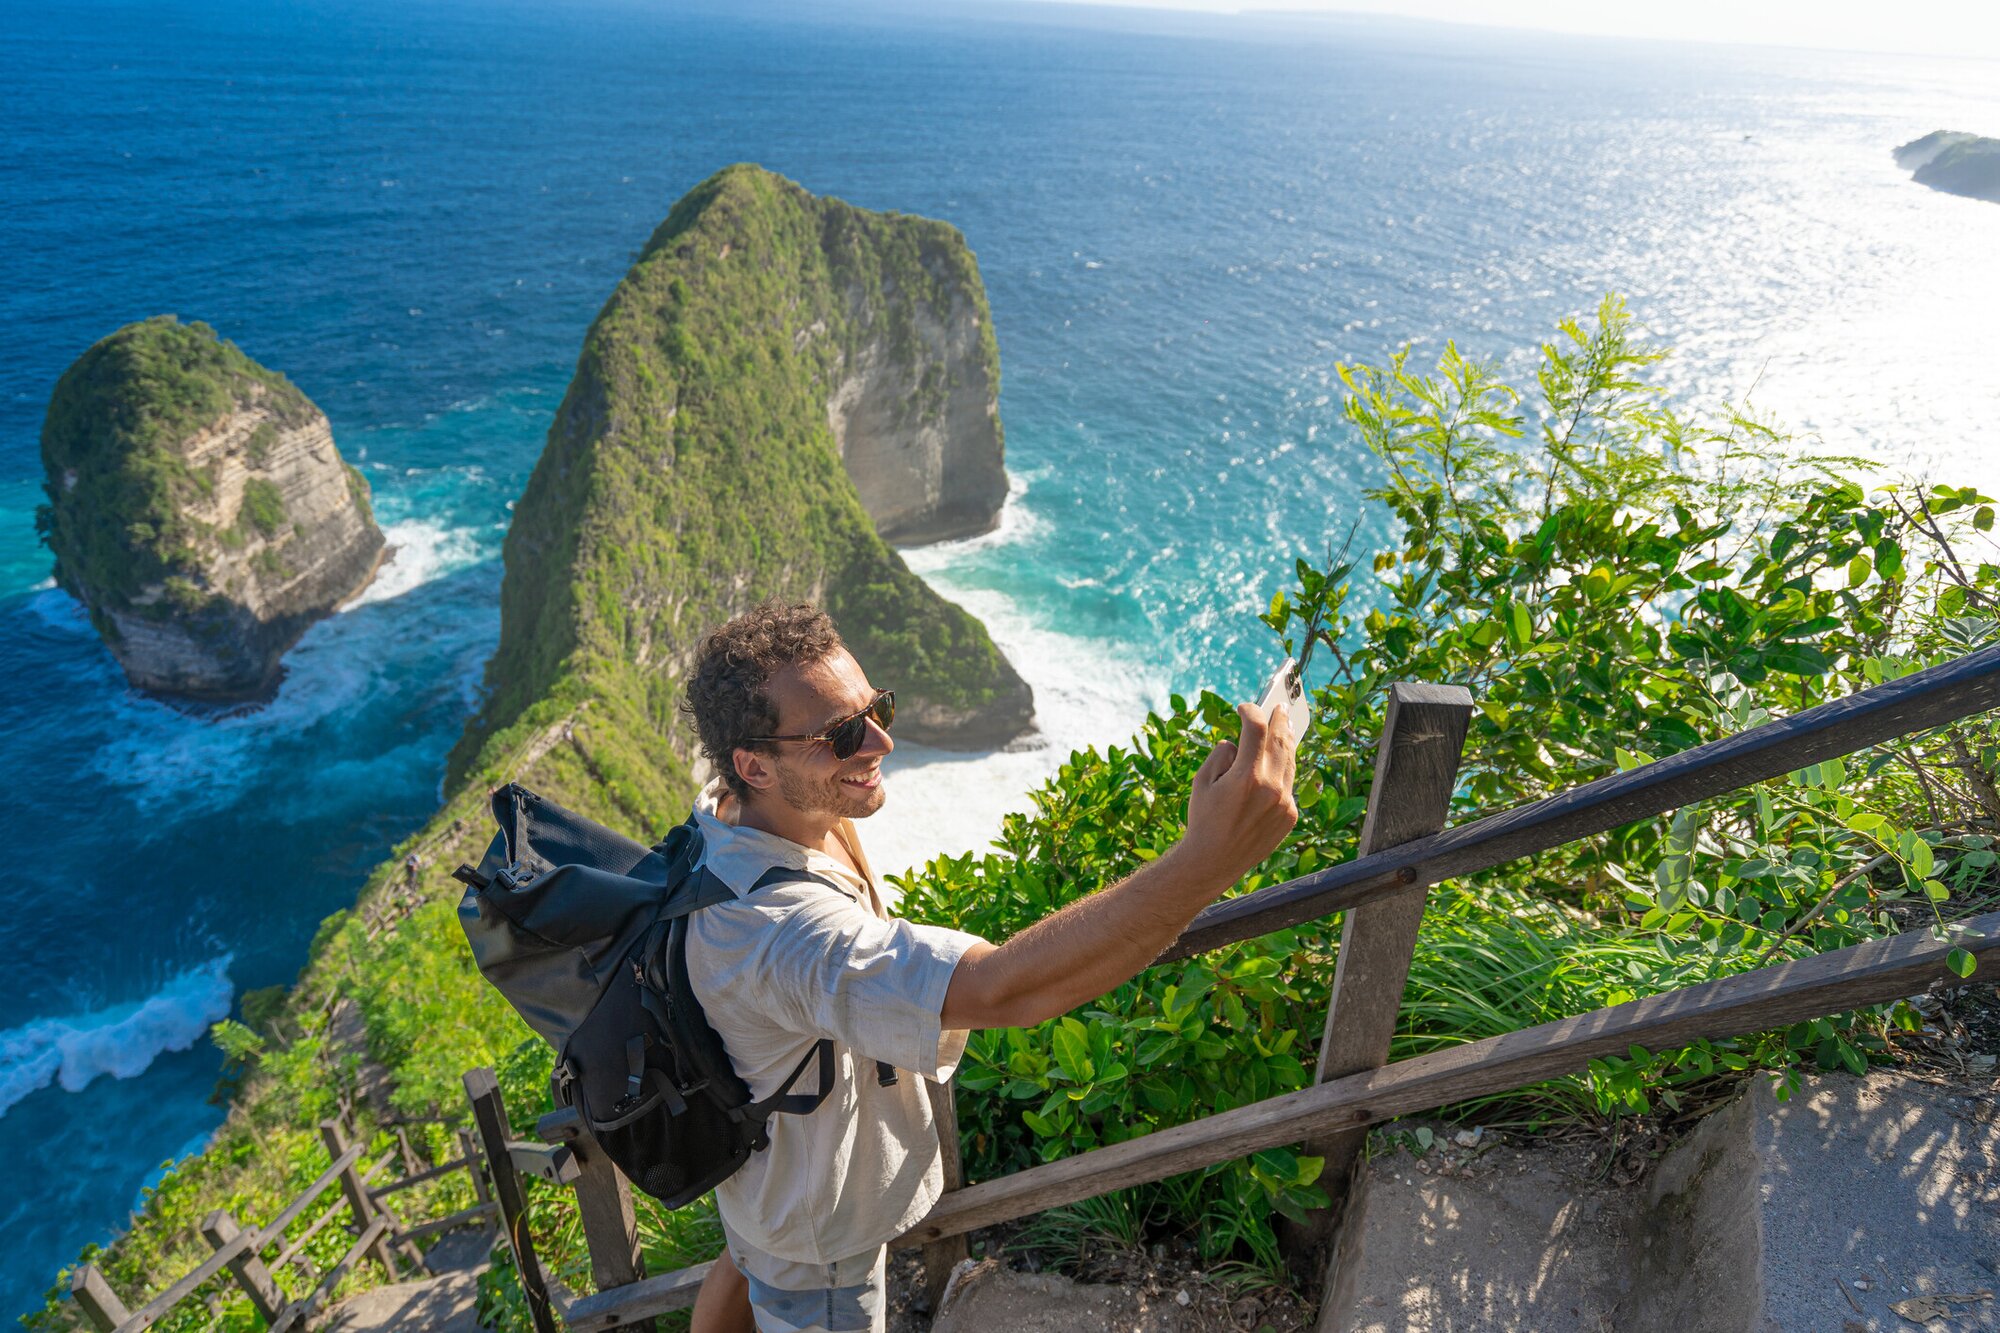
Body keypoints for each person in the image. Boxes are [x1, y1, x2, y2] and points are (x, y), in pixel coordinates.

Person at [679, 602, 1298, 1333]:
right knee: (779, 1271)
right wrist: (1207, 861)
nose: (881, 739)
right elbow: (998, 987)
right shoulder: (782, 934)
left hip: (771, 1174)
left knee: (751, 1250)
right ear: (755, 763)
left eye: (878, 707)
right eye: (843, 733)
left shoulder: (738, 815)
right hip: (821, 1244)